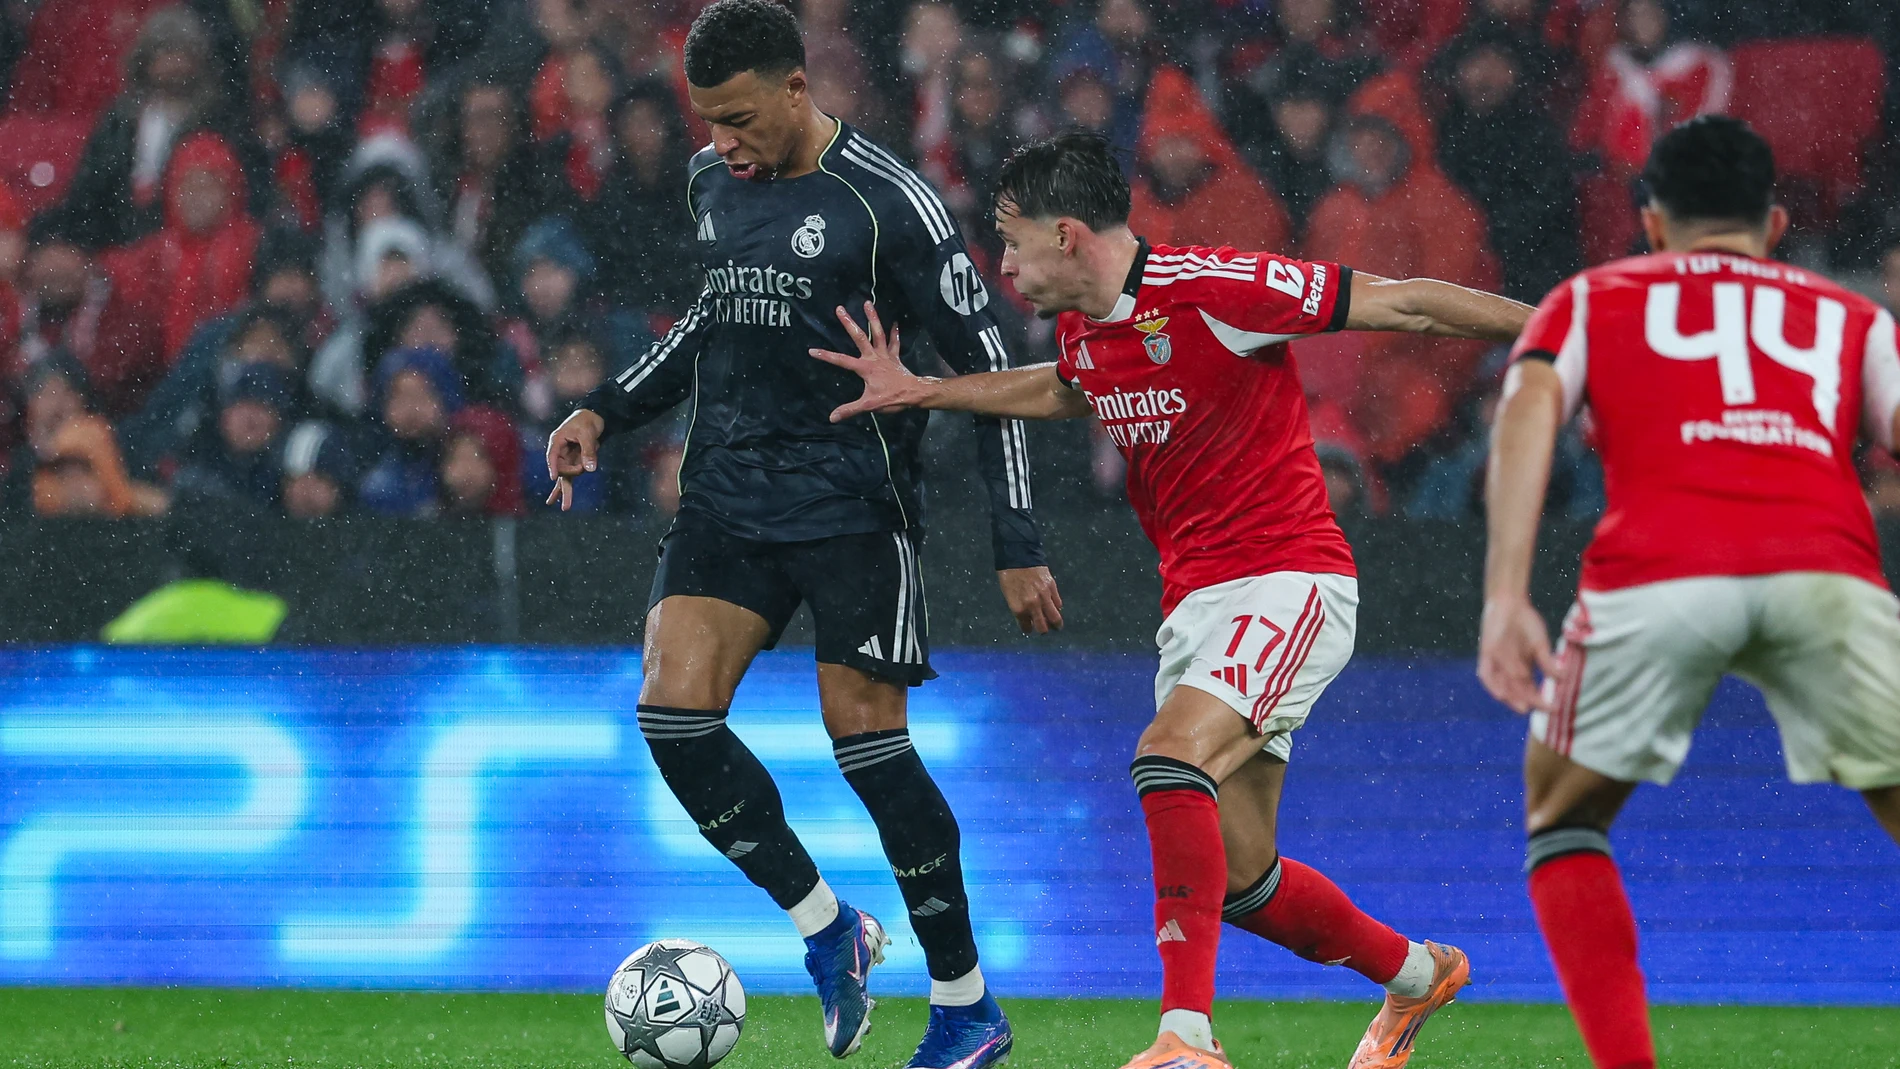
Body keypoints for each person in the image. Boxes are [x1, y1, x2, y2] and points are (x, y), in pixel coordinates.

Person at [810, 131, 1532, 1069]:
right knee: (1241, 879)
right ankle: (1414, 973)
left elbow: (1406, 305)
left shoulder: (1217, 287)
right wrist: (929, 392)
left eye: (1012, 242)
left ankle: (1187, 1040)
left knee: (1166, 759)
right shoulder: (1081, 329)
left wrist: (1564, 328)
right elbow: (1072, 389)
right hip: (1193, 604)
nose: (1004, 266)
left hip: (1289, 577)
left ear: (1067, 235)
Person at [541, 4, 1056, 1067]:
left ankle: (965, 1003)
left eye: (737, 118)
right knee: (673, 717)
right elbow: (712, 315)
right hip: (727, 493)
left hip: (852, 504)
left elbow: (999, 365)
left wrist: (1017, 541)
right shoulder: (710, 181)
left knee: (867, 748)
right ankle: (830, 927)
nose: (721, 142)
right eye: (707, 122)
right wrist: (606, 408)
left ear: (794, 88)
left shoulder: (890, 205)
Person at [1479, 116, 1900, 1069]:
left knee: (1565, 817)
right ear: (1777, 222)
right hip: (1826, 571)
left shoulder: (1589, 296)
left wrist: (1505, 594)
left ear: (1653, 224)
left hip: (1659, 571)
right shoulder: (1853, 315)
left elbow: (1529, 408)